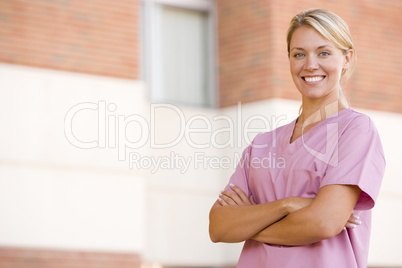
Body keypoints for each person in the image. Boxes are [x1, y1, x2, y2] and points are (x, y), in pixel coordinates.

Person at [209, 8, 385, 268]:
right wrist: (288, 205)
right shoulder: (261, 145)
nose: (310, 64)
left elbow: (323, 222)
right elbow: (219, 227)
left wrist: (249, 224)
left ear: (346, 58)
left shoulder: (356, 130)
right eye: (299, 54)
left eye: (323, 52)